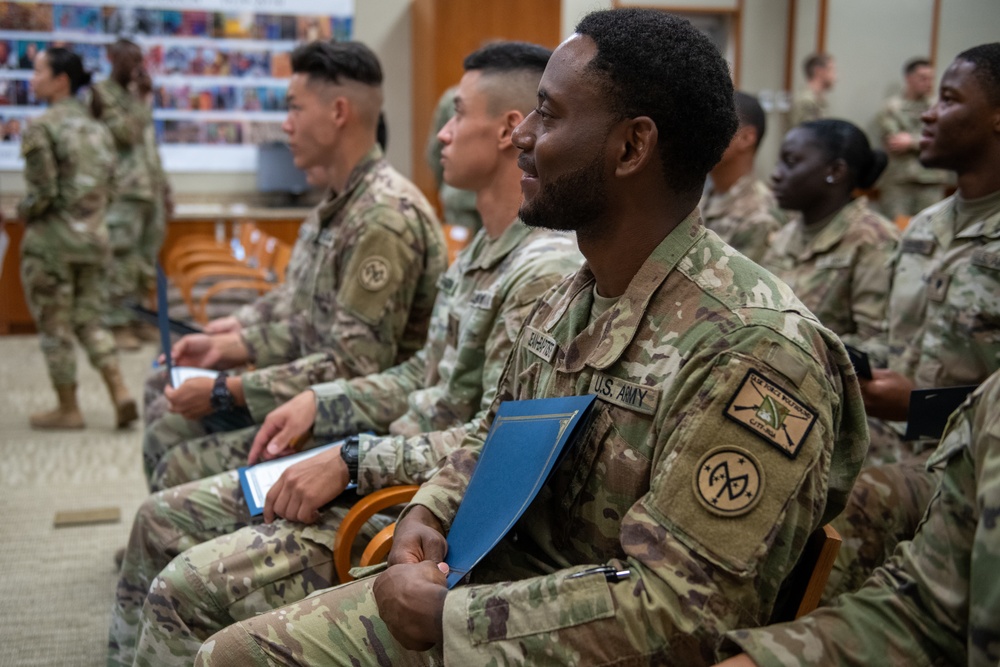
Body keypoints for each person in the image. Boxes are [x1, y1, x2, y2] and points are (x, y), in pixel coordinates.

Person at [196, 9, 868, 665]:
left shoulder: (756, 349)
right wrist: (426, 513)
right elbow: (491, 437)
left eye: (549, 114)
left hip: (559, 637)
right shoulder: (570, 297)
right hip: (491, 593)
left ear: (632, 146)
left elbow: (684, 612)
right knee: (230, 649)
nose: (521, 136)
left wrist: (453, 618)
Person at [107, 41, 583, 666]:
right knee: (167, 511)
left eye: (457, 114)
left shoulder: (538, 270)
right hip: (376, 454)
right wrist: (316, 405)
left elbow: (487, 439)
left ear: (506, 131)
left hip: (409, 499)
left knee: (179, 572)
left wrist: (351, 454)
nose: (441, 134)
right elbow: (418, 375)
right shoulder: (481, 254)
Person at [138, 40, 447, 490]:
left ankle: (167, 545)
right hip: (304, 395)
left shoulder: (384, 217)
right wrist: (235, 341)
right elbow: (300, 307)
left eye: (295, 109)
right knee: (167, 425)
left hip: (350, 422)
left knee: (177, 458)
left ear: (338, 112)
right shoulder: (340, 201)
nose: (286, 125)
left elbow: (352, 367)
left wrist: (231, 388)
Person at [822, 42, 1000, 602]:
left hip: (965, 477)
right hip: (881, 453)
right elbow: (897, 343)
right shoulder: (924, 225)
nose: (927, 113)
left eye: (948, 99)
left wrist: (917, 405)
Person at [713, 367, 1000, 667]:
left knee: (856, 500)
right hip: (898, 422)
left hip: (925, 440)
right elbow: (922, 615)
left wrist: (916, 403)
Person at [19, 47, 137, 429]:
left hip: (53, 244)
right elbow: (114, 187)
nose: (32, 80)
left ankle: (68, 408)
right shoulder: (99, 130)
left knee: (55, 325)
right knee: (91, 321)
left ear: (60, 80)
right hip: (94, 241)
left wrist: (22, 211)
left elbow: (44, 193)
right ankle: (119, 390)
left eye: (38, 72)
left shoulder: (43, 127)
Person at [760, 119, 898, 354]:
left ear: (835, 171)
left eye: (791, 162)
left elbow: (879, 346)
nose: (776, 175)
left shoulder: (873, 239)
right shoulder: (785, 235)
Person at [92, 39, 170, 351]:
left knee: (144, 260)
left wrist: (165, 188)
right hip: (123, 191)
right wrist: (142, 100)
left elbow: (149, 146)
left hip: (149, 190)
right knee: (122, 258)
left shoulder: (137, 97)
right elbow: (125, 134)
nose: (137, 67)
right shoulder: (102, 95)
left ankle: (138, 318)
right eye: (130, 60)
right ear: (112, 58)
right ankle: (116, 322)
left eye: (140, 60)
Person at [700, 91, 782, 263]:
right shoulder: (699, 198)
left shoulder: (759, 215)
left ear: (745, 138)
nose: (698, 137)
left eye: (712, 127)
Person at [875, 57, 951, 221]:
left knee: (929, 233)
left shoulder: (940, 107)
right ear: (908, 78)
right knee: (897, 233)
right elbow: (895, 141)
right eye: (923, 78)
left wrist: (912, 142)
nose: (928, 83)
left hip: (931, 181)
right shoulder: (892, 107)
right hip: (900, 183)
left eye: (931, 78)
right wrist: (926, 141)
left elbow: (946, 139)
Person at [426, 85, 482, 232]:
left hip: (459, 198)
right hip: (461, 202)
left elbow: (436, 153)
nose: (444, 134)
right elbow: (437, 152)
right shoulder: (453, 98)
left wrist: (447, 185)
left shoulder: (454, 96)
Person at [789, 53, 835, 126]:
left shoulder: (818, 100)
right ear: (819, 71)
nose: (835, 76)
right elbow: (806, 135)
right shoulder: (806, 101)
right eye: (831, 69)